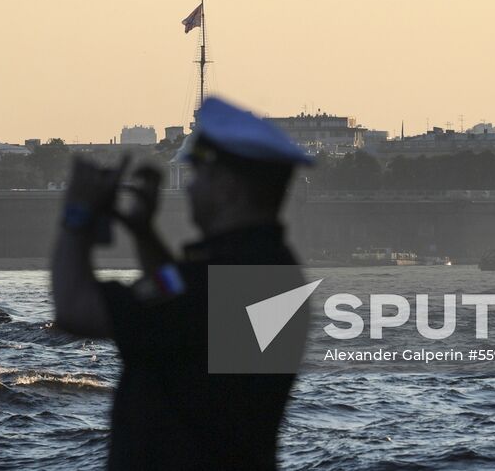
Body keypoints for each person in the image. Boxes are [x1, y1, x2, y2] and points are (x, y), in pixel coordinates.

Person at [51, 96, 312, 471]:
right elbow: (176, 295)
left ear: (229, 188)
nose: (189, 189)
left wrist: (77, 213)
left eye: (199, 175)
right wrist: (144, 233)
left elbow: (75, 308)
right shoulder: (266, 269)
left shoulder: (219, 284)